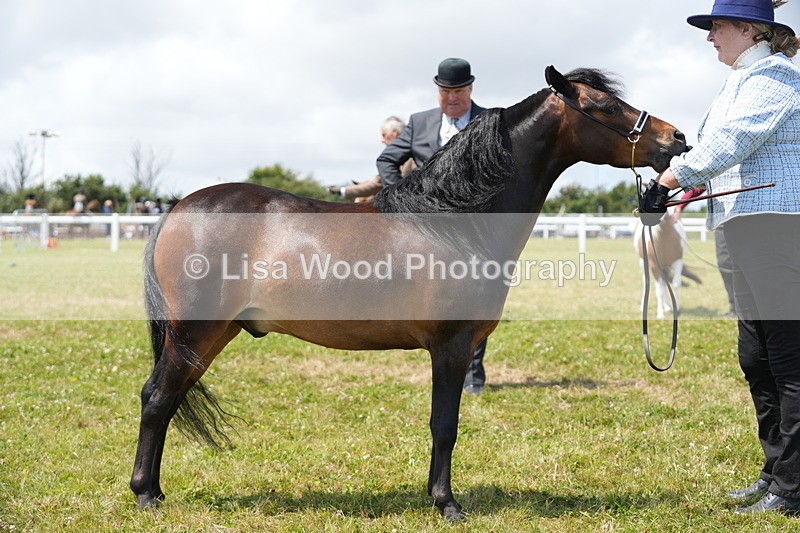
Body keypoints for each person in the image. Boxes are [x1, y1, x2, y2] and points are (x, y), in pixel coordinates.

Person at [640, 0, 800, 515]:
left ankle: (793, 488)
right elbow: (716, 149)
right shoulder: (739, 81)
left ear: (748, 30)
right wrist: (678, 188)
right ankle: (775, 470)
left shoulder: (775, 76)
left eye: (717, 27)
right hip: (740, 226)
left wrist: (670, 180)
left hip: (774, 224)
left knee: (787, 357)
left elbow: (734, 141)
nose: (709, 36)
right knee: (755, 354)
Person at [376, 58, 490, 395]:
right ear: (438, 91)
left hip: (472, 230)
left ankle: (472, 374)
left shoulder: (488, 121)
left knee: (474, 299)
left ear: (470, 89)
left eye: (458, 91)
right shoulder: (419, 122)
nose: (451, 98)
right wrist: (402, 198)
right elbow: (387, 160)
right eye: (445, 92)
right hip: (426, 229)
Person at [328, 116, 415, 201]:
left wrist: (342, 190)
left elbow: (376, 185)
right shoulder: (404, 155)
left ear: (394, 133)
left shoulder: (406, 158)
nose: (382, 140)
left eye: (384, 135)